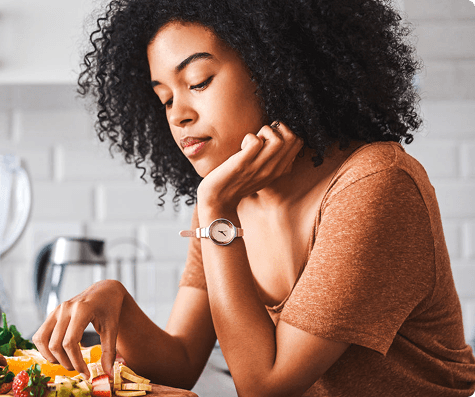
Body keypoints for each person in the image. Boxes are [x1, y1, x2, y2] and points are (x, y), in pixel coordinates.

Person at [32, 0, 475, 395]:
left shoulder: (374, 185)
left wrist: (216, 211)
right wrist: (117, 302)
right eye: (164, 99)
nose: (180, 115)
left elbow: (265, 388)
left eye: (199, 82)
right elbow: (182, 363)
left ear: (274, 67)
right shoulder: (229, 195)